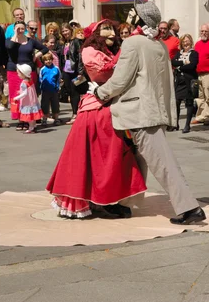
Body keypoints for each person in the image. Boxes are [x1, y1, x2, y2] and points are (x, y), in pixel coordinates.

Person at [91, 0, 206, 225]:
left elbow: (121, 80)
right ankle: (123, 205)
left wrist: (99, 93)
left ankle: (190, 207)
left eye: (133, 13)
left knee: (163, 163)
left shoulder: (133, 44)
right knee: (137, 162)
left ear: (139, 19)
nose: (129, 15)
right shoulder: (159, 45)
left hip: (138, 112)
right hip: (152, 110)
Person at [47, 19, 147, 219]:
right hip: (95, 110)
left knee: (116, 156)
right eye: (106, 29)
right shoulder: (90, 52)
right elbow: (105, 70)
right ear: (95, 34)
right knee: (100, 157)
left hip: (112, 107)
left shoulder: (111, 50)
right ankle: (101, 200)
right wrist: (127, 47)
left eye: (112, 29)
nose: (111, 33)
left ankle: (111, 198)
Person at [6, 21, 48, 129]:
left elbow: (45, 48)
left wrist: (36, 55)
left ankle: (28, 119)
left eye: (22, 28)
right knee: (16, 95)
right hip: (14, 71)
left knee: (28, 97)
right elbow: (10, 48)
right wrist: (15, 35)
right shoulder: (9, 40)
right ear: (14, 29)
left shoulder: (31, 41)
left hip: (29, 72)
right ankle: (20, 120)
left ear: (25, 29)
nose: (20, 30)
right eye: (17, 28)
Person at [172, 34, 198, 133]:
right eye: (183, 42)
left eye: (187, 41)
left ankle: (187, 125)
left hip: (189, 81)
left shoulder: (194, 53)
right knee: (177, 102)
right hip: (179, 81)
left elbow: (192, 66)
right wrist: (184, 62)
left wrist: (180, 66)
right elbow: (173, 62)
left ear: (191, 42)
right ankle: (176, 124)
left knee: (189, 102)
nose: (185, 43)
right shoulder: (179, 53)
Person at [63, 27, 87, 125]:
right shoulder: (63, 43)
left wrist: (80, 72)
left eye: (66, 30)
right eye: (63, 31)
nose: (65, 33)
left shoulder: (76, 41)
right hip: (66, 70)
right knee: (70, 92)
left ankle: (75, 114)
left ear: (71, 31)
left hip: (75, 70)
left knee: (75, 92)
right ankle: (75, 113)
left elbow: (81, 56)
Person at [13, 64, 43, 134]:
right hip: (32, 101)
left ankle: (31, 127)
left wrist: (16, 98)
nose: (18, 75)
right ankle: (34, 126)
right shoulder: (30, 80)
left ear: (24, 74)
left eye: (19, 73)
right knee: (32, 115)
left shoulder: (24, 83)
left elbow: (25, 93)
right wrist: (20, 91)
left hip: (27, 102)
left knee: (29, 117)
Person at [39, 53, 62, 126]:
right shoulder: (42, 69)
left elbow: (59, 78)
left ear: (52, 60)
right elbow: (40, 79)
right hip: (45, 90)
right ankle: (44, 119)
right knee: (45, 105)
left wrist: (58, 86)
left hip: (54, 90)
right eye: (46, 60)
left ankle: (56, 119)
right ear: (43, 61)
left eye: (49, 59)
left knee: (55, 105)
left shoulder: (56, 68)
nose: (48, 61)